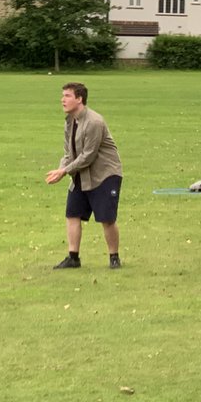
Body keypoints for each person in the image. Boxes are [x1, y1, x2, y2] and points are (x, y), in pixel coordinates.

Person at [45, 82, 123, 269]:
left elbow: (88, 155)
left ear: (79, 99)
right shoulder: (70, 121)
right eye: (62, 95)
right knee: (73, 213)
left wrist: (64, 171)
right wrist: (61, 168)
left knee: (106, 218)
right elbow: (68, 152)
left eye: (68, 96)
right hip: (80, 174)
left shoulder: (94, 122)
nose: (62, 99)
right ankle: (73, 258)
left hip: (104, 174)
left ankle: (114, 257)